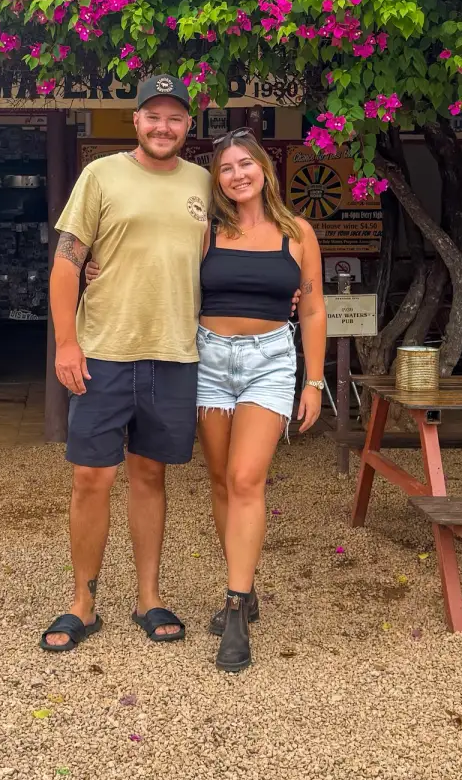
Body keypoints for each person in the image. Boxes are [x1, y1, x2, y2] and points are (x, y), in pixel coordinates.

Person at [40, 75, 209, 653]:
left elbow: (223, 255)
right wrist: (67, 343)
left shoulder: (203, 183)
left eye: (175, 117)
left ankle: (148, 597)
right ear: (135, 120)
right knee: (91, 477)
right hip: (105, 351)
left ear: (188, 125)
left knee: (150, 475)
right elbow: (67, 263)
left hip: (173, 352)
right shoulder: (101, 175)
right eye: (153, 116)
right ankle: (82, 602)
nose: (164, 127)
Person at [198, 129, 326, 672]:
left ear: (264, 170)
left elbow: (313, 308)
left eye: (245, 164)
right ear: (217, 179)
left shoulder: (297, 231)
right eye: (226, 168)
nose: (237, 175)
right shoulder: (205, 230)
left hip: (270, 361)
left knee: (246, 478)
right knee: (221, 480)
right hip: (209, 360)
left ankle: (234, 610)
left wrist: (314, 382)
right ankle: (243, 585)